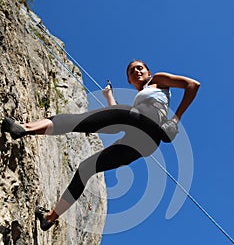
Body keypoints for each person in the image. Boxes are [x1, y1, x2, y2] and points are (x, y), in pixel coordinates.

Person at [1, 60, 200, 230]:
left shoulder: (157, 79)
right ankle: (50, 218)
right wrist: (108, 97)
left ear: (147, 72)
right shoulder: (139, 97)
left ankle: (24, 128)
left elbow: (193, 85)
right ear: (129, 81)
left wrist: (175, 120)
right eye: (132, 71)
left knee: (74, 121)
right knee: (86, 168)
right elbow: (116, 116)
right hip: (145, 140)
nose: (136, 71)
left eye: (139, 68)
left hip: (146, 122)